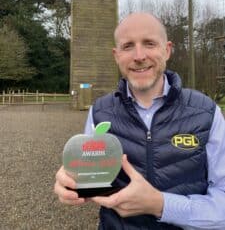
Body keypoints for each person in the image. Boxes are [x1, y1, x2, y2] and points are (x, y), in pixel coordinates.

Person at [54, 12, 225, 230]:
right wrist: (72, 182)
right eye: (128, 46)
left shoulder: (206, 112)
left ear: (167, 50)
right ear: (116, 55)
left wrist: (161, 205)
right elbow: (91, 174)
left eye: (149, 43)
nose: (139, 55)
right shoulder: (99, 112)